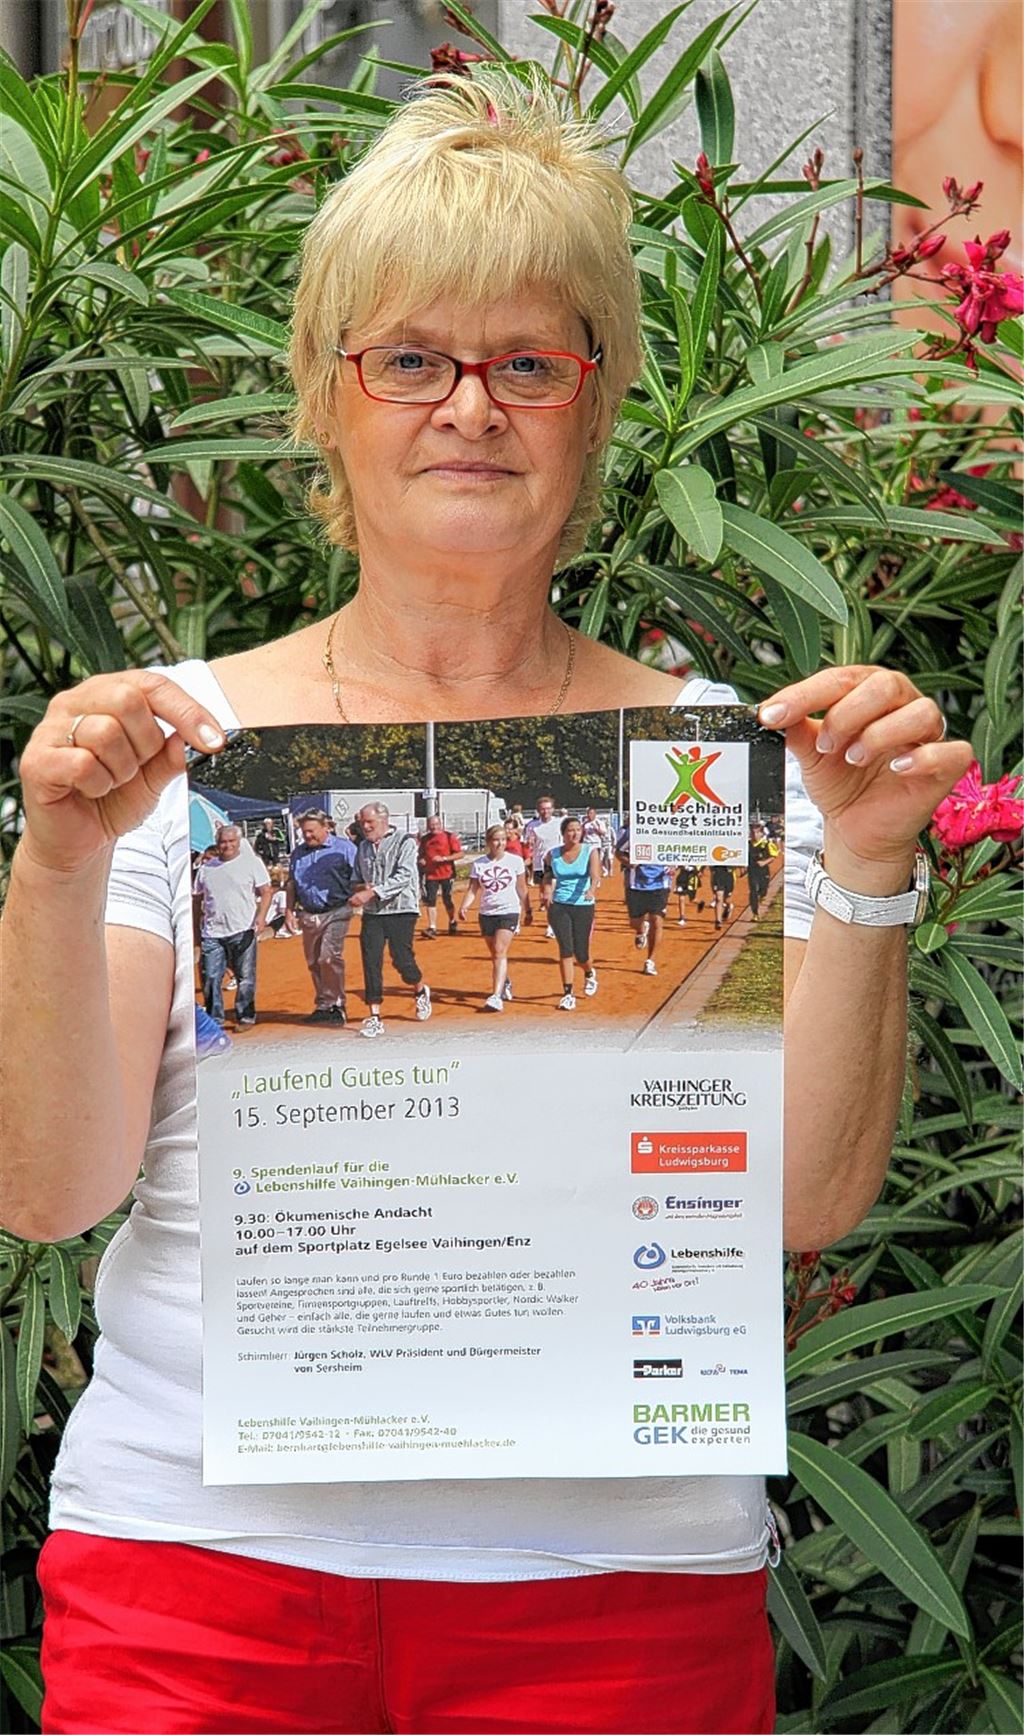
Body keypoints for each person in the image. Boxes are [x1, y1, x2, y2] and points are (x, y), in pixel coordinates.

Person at [2, 71, 968, 1735]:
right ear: (326, 394)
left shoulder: (708, 760)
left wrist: (868, 865)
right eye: (410, 360)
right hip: (202, 1588)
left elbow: (799, 1209)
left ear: (592, 407)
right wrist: (57, 858)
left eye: (527, 361)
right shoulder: (177, 746)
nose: (470, 407)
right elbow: (44, 1188)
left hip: (615, 1604)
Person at [349, 802, 431, 1037]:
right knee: (371, 959)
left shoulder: (404, 842)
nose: (365, 827)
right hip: (373, 913)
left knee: (401, 959)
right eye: (362, 822)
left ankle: (419, 990)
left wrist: (372, 892)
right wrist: (359, 887)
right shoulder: (363, 847)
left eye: (369, 822)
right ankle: (374, 1015)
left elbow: (404, 876)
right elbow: (356, 876)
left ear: (383, 820)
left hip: (401, 909)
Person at [192, 824, 272, 1028]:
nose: (227, 845)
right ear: (216, 843)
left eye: (231, 841)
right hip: (212, 932)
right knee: (210, 977)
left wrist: (261, 917)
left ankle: (245, 1016)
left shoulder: (251, 863)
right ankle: (214, 1018)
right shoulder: (206, 868)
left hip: (243, 929)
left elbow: (266, 891)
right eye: (222, 842)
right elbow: (196, 902)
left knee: (245, 977)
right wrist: (195, 934)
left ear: (239, 842)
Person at [286, 809, 357, 1025]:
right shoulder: (298, 853)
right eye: (304, 832)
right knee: (314, 962)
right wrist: (289, 910)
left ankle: (337, 1005)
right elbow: (292, 884)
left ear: (326, 827)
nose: (307, 836)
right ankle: (324, 1005)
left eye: (311, 831)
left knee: (329, 957)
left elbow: (360, 877)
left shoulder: (345, 849)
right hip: (309, 914)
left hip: (337, 911)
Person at [458, 822, 527, 1010]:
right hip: (487, 912)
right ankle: (505, 981)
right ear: (489, 842)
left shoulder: (515, 861)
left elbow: (521, 888)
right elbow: (474, 888)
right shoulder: (479, 864)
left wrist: (527, 909)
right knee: (495, 954)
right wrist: (464, 906)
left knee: (499, 950)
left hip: (509, 910)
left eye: (503, 839)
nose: (500, 844)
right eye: (496, 840)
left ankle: (496, 996)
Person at [541, 815, 600, 1009]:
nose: (574, 834)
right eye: (569, 831)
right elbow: (548, 875)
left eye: (577, 830)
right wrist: (547, 890)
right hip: (559, 905)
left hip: (583, 904)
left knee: (581, 953)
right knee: (565, 949)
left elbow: (595, 874)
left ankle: (589, 973)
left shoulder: (590, 851)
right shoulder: (552, 854)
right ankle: (568, 993)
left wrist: (591, 890)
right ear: (563, 834)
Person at [614, 823, 672, 977]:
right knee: (634, 922)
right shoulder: (633, 832)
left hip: (661, 883)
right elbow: (619, 852)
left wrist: (675, 866)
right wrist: (628, 862)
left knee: (657, 920)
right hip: (636, 884)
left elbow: (681, 852)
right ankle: (640, 930)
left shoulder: (671, 831)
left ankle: (650, 961)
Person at [417, 812, 463, 937]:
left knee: (447, 899)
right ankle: (432, 927)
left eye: (436, 824)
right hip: (431, 874)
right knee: (430, 900)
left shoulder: (449, 837)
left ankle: (452, 921)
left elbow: (459, 854)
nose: (434, 827)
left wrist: (444, 858)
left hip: (447, 873)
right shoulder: (425, 839)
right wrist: (422, 860)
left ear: (441, 824)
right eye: (431, 825)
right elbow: (421, 854)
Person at [522, 794, 563, 933]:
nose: (545, 811)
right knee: (544, 896)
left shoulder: (559, 823)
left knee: (550, 894)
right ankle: (554, 918)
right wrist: (529, 844)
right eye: (542, 809)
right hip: (539, 863)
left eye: (548, 808)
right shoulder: (532, 826)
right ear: (538, 810)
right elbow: (527, 843)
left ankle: (552, 925)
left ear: (553, 809)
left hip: (556, 863)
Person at [747, 823, 778, 922]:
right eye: (752, 833)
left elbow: (773, 856)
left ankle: (761, 896)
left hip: (763, 871)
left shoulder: (766, 844)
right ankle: (755, 914)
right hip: (752, 870)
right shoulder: (747, 844)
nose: (754, 835)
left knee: (763, 890)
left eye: (757, 833)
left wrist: (764, 862)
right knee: (753, 891)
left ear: (761, 834)